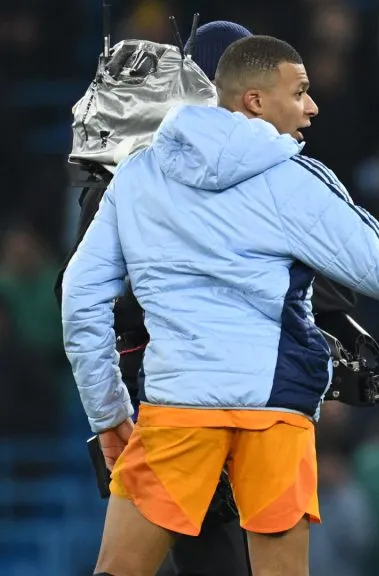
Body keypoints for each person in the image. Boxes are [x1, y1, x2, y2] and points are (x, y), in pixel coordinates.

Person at [60, 34, 379, 576]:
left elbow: (80, 301)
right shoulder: (294, 182)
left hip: (176, 410)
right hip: (274, 416)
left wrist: (109, 414)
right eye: (299, 91)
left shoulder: (139, 175)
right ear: (255, 101)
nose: (313, 106)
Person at [56, 20, 259, 576]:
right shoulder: (133, 170)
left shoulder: (248, 169)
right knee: (207, 557)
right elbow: (79, 294)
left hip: (229, 397)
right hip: (165, 397)